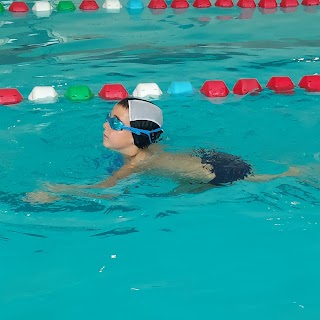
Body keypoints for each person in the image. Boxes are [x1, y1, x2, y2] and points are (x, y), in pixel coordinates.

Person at [25, 98, 299, 203]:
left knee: (259, 181)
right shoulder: (142, 151)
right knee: (181, 188)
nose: (105, 125)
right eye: (108, 118)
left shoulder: (139, 161)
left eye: (115, 123)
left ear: (138, 136)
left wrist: (57, 192)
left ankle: (295, 173)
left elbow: (106, 190)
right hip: (201, 161)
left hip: (220, 171)